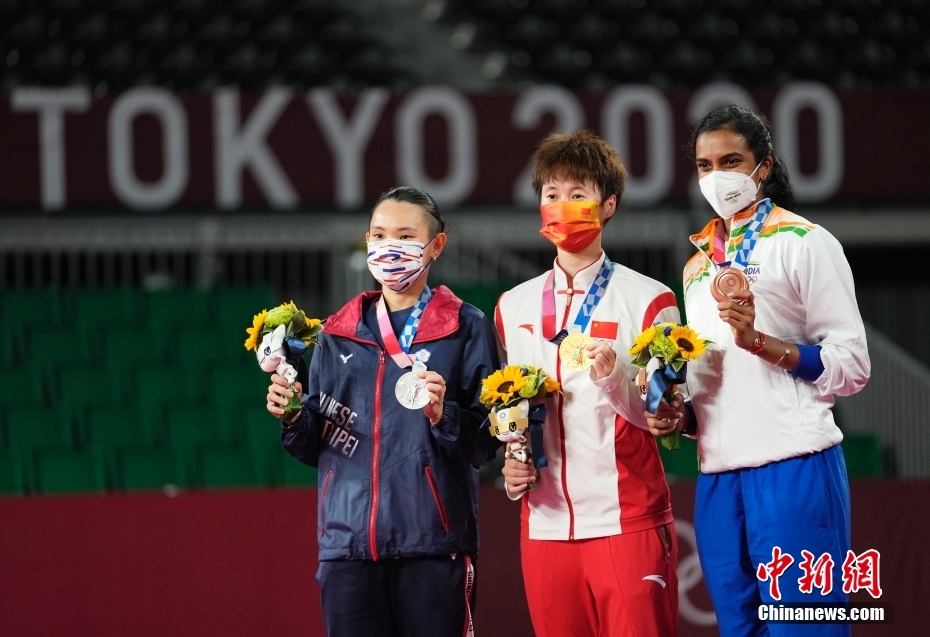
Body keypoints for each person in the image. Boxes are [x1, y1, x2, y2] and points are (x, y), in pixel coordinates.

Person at [654, 104, 870, 636]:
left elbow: (852, 365)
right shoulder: (698, 265)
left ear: (763, 167)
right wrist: (678, 414)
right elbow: (713, 382)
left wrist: (759, 342)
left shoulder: (805, 243)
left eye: (731, 161)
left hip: (793, 465)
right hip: (718, 477)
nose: (717, 177)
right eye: (705, 166)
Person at [266, 186, 499, 637]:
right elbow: (318, 444)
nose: (389, 246)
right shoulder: (338, 332)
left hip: (431, 544)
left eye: (405, 235)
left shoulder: (465, 327)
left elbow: (485, 441)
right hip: (346, 546)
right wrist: (294, 416)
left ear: (436, 245)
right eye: (378, 234)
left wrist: (442, 415)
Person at [496, 130, 681, 637]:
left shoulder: (649, 300)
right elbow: (514, 412)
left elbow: (664, 419)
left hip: (627, 521)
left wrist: (616, 377)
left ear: (608, 205)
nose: (561, 206)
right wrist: (511, 461)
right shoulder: (512, 307)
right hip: (544, 526)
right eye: (551, 195)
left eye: (577, 195)